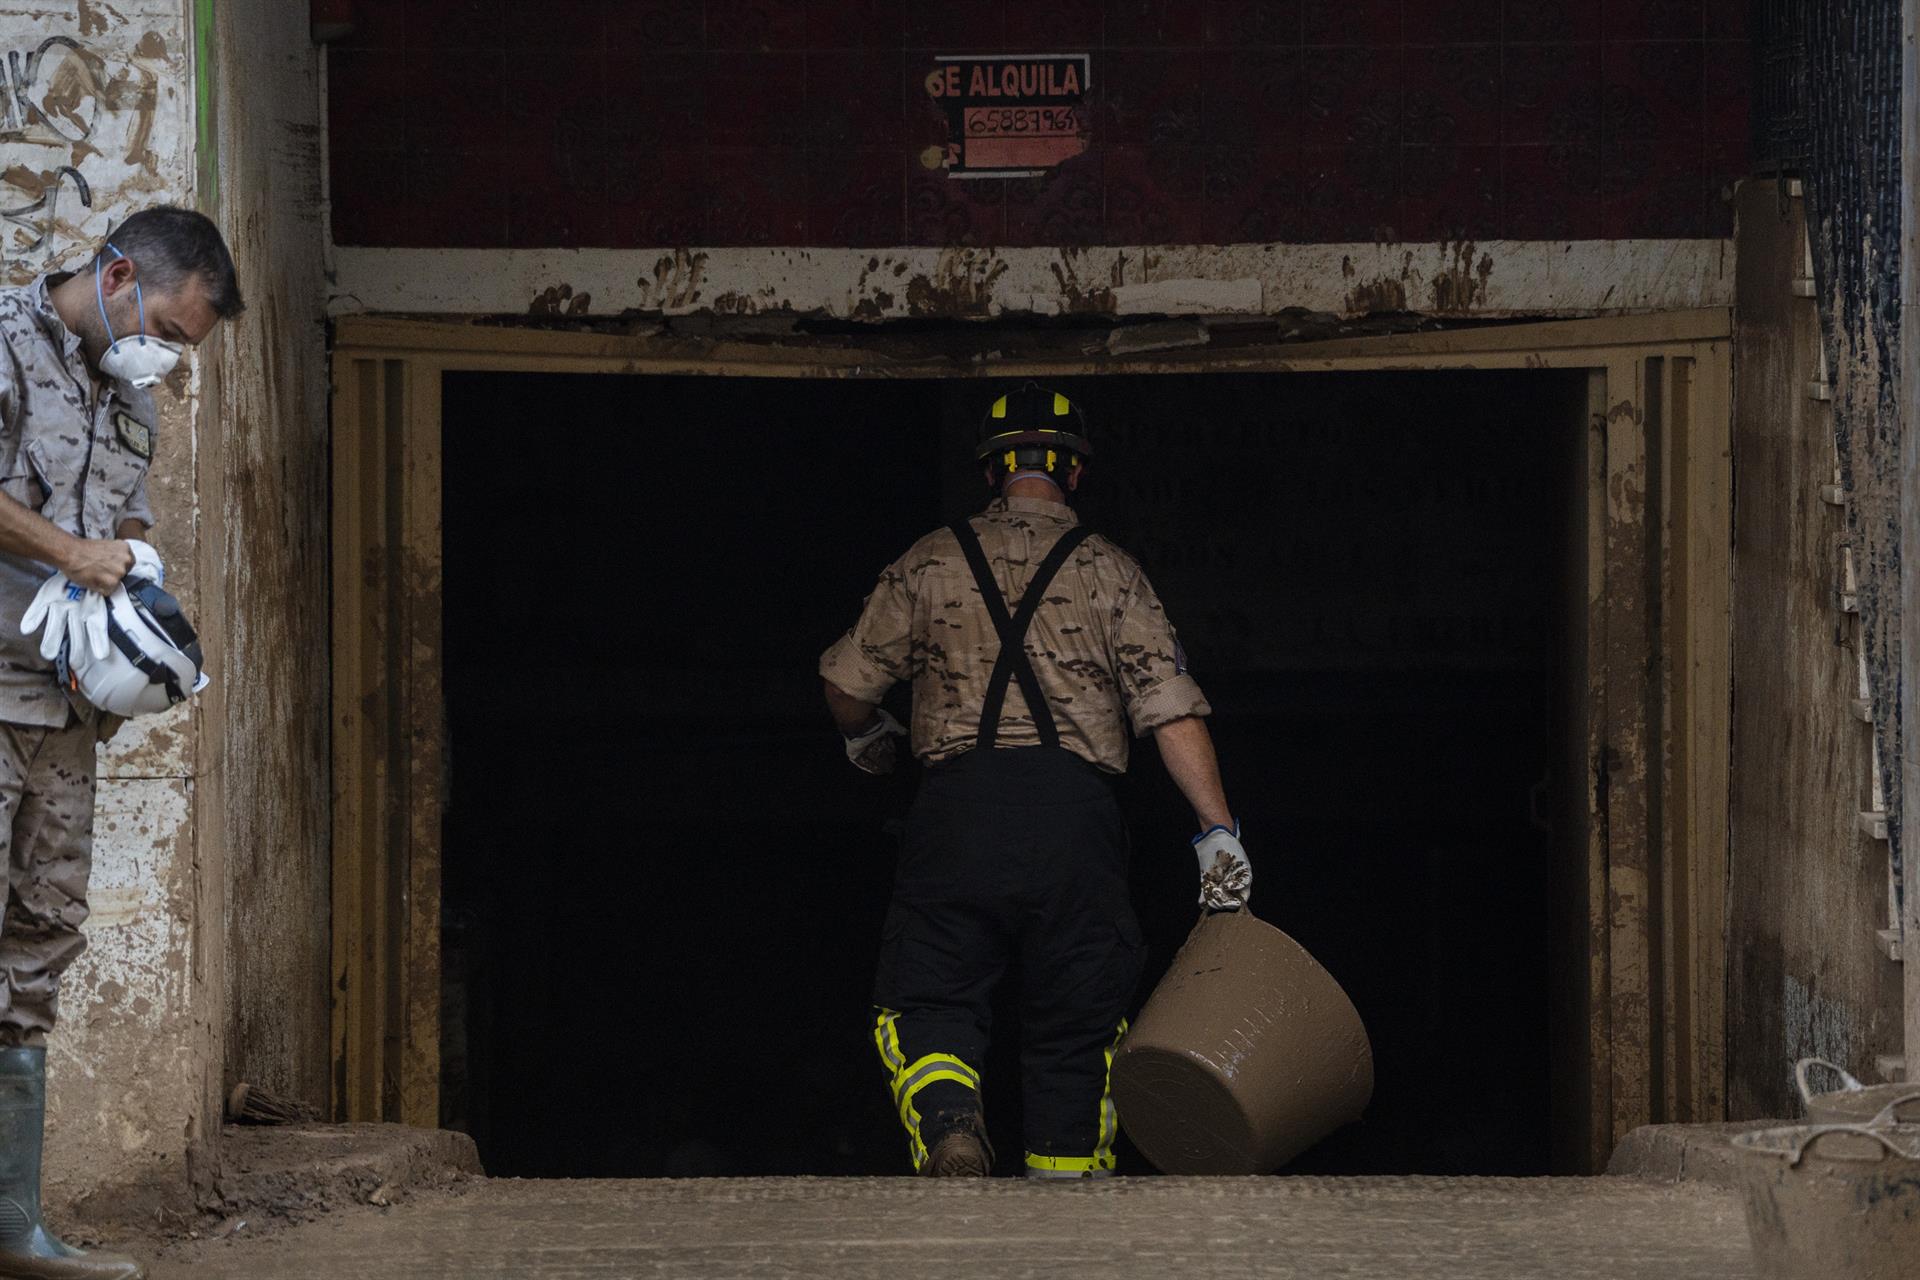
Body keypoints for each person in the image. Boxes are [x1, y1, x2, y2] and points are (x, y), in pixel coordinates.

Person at [820, 382, 1253, 1179]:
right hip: (1074, 827)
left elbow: (847, 686)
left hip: (957, 817)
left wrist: (866, 741)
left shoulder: (929, 560)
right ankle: (1065, 1206)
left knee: (931, 998)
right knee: (1076, 1030)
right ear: (1076, 476)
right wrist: (1216, 833)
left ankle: (952, 1120)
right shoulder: (1113, 574)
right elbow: (1170, 711)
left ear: (990, 475)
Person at [0, 206, 242, 1280]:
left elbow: (126, 523)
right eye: (170, 330)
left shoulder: (125, 391)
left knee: (39, 936)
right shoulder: (7, 343)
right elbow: (66, 537)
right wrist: (72, 551)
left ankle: (13, 1227)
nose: (170, 355)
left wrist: (133, 577)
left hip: (66, 707)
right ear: (114, 275)